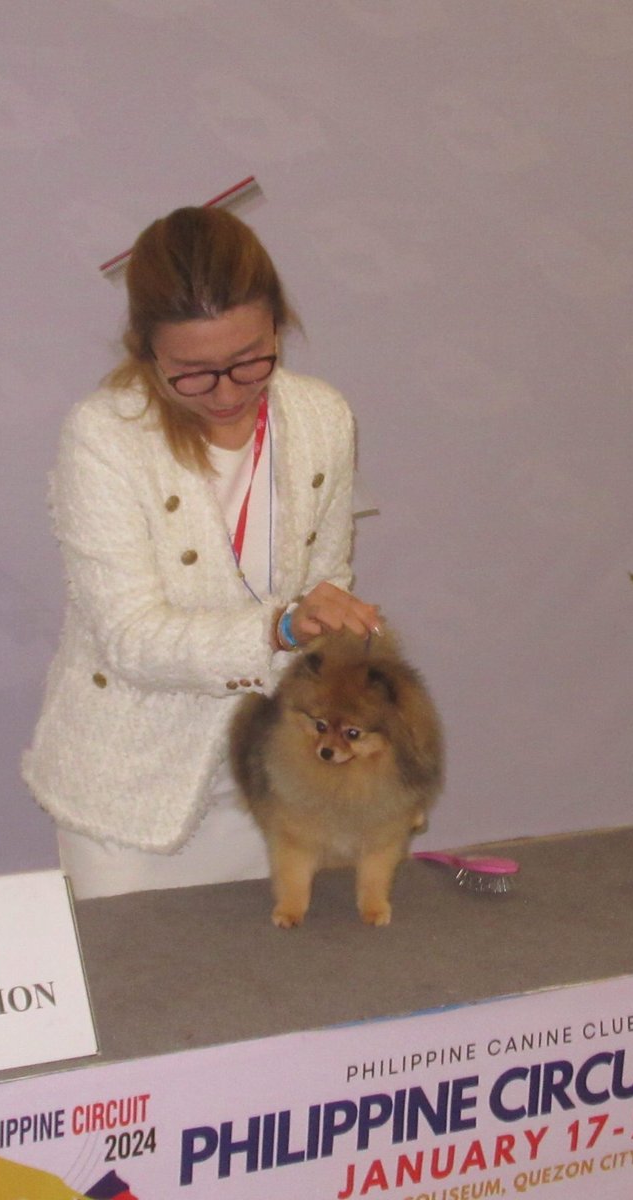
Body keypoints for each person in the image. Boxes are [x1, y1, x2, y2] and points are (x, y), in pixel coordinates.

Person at [23, 206, 380, 899]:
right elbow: (130, 639)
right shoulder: (103, 435)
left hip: (282, 780)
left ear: (277, 322)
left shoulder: (321, 416)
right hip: (133, 798)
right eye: (192, 372)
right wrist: (279, 627)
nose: (226, 392)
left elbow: (326, 578)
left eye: (250, 360)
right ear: (144, 349)